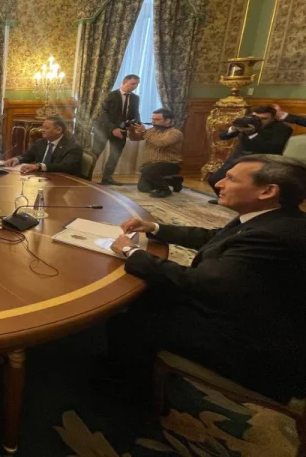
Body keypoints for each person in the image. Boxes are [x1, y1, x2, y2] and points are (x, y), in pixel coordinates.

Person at [106, 155, 306, 403]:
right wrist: (154, 228)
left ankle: (132, 394)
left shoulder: (273, 235)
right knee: (147, 293)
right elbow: (215, 237)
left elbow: (200, 283)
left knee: (131, 320)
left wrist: (131, 251)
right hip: (245, 309)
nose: (219, 183)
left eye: (231, 179)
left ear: (267, 191)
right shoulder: (275, 218)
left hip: (250, 345)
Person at [206, 105, 292, 198]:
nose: (259, 121)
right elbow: (223, 136)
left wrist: (252, 134)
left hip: (263, 160)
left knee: (244, 183)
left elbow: (273, 148)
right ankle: (223, 198)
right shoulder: (248, 123)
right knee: (214, 179)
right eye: (256, 118)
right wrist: (233, 128)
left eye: (264, 119)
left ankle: (239, 202)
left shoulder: (282, 129)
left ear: (273, 118)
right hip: (239, 157)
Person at [92, 74, 140, 186]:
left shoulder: (135, 98)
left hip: (122, 130)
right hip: (103, 129)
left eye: (137, 84)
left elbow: (135, 113)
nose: (135, 86)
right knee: (95, 153)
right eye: (133, 84)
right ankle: (85, 176)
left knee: (115, 155)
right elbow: (103, 114)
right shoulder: (110, 95)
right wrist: (113, 128)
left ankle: (107, 178)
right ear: (124, 82)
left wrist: (137, 125)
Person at [127, 108, 184, 198]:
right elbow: (134, 138)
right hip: (152, 165)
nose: (153, 122)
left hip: (170, 163)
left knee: (148, 170)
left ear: (167, 120)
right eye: (152, 119)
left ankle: (165, 190)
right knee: (143, 188)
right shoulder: (151, 131)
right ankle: (173, 181)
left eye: (157, 119)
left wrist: (144, 131)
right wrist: (131, 130)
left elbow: (161, 143)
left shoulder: (176, 133)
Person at [3, 117, 82, 176]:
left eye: (47, 128)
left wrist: (39, 166)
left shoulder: (73, 147)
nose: (42, 130)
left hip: (63, 183)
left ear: (58, 130)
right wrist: (16, 159)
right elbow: (27, 156)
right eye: (42, 127)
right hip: (41, 178)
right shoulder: (40, 142)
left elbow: (65, 166)